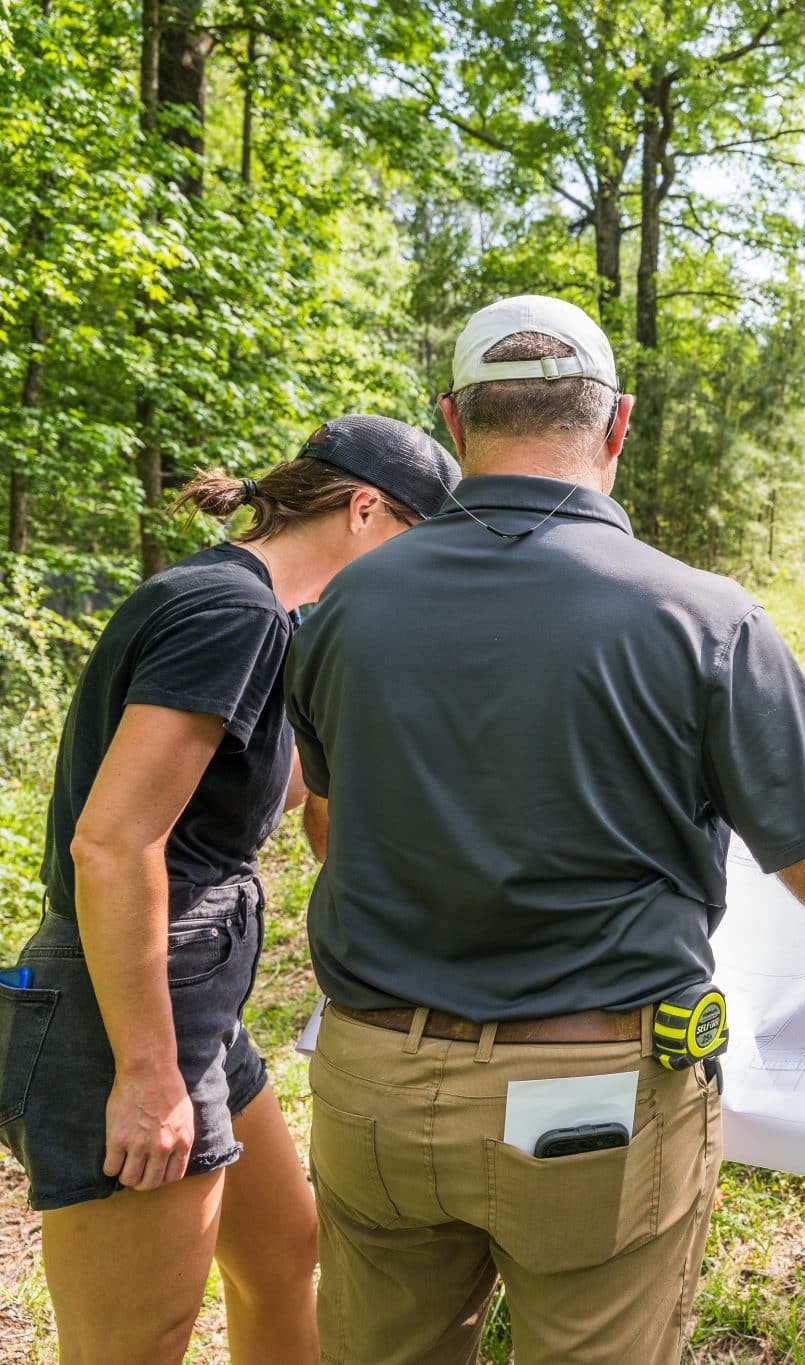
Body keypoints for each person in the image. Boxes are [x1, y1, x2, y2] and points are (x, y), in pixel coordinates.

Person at [286, 294, 805, 1364]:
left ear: (453, 424)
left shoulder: (342, 613)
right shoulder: (701, 616)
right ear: (618, 423)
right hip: (590, 1105)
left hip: (372, 1087)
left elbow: (332, 831)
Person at [0, 417, 460, 1364]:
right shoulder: (228, 612)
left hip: (197, 994)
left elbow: (285, 796)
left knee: (286, 1253)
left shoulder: (272, 618)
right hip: (126, 1001)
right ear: (366, 508)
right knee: (136, 1342)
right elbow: (113, 842)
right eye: (423, 541)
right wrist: (144, 1071)